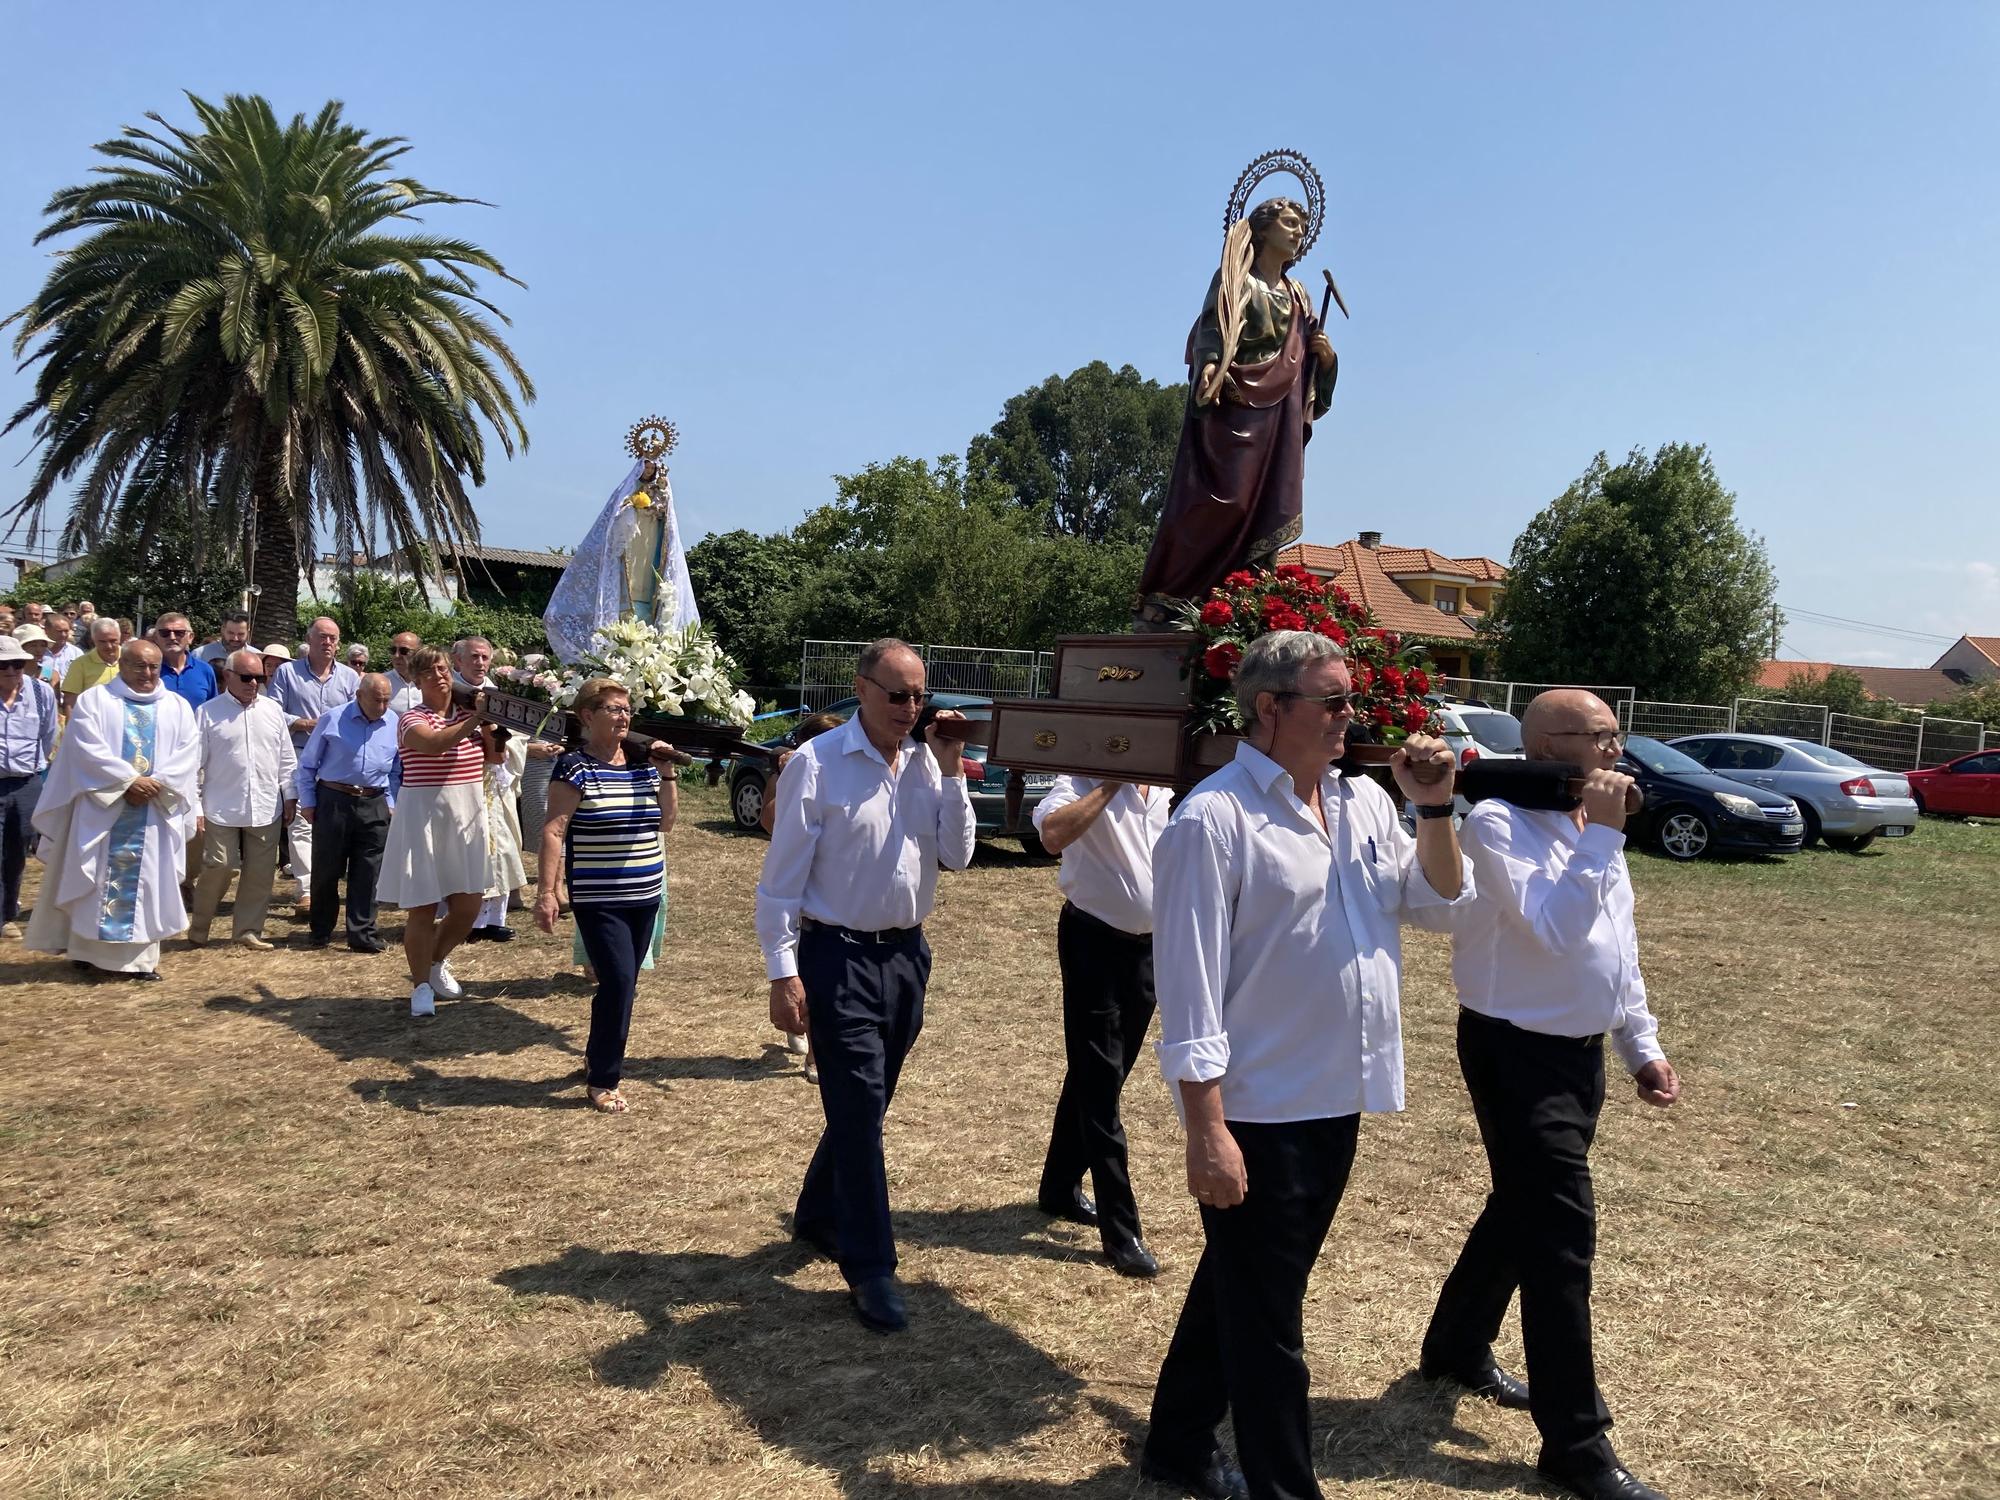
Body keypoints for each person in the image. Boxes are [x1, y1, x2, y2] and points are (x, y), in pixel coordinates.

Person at [1140, 630, 1467, 1500]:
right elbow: (1191, 991)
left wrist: (1432, 807)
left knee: (1246, 1286)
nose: (1350, 718)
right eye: (1333, 702)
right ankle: (1287, 1488)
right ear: (1270, 709)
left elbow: (1436, 904)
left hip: (1336, 1094)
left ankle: (1176, 1443)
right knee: (1270, 1318)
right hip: (1257, 1107)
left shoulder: (1362, 802)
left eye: (1351, 700)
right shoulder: (1213, 821)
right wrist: (1206, 1130)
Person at [1416, 692, 1680, 1500]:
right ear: (1547, 746)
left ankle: (1456, 1346)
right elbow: (1554, 929)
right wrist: (1602, 832)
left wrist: (1641, 1044)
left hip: (1580, 1055)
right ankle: (1576, 1443)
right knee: (1561, 1235)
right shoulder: (1497, 824)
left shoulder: (1591, 827)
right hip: (1513, 1051)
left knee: (1523, 1205)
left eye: (1615, 736)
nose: (1615, 751)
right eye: (1599, 738)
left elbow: (1613, 944)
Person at [755, 639, 975, 1334]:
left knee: (866, 1103)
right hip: (837, 958)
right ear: (861, 689)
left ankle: (818, 1214)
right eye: (896, 695)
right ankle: (871, 1265)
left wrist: (952, 773)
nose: (910, 710)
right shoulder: (817, 766)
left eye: (919, 697)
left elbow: (958, 855)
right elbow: (781, 880)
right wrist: (781, 972)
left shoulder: (925, 764)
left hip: (907, 957)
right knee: (857, 1113)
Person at [1136, 197, 1339, 623]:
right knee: (1223, 500)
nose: (1298, 232)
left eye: (1302, 226)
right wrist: (1210, 363)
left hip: (1279, 417)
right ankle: (1172, 594)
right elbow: (1213, 325)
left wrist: (1326, 357)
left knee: (1266, 506)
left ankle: (1243, 601)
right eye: (1288, 223)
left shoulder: (1299, 293)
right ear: (1262, 230)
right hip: (1234, 408)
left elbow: (1307, 356)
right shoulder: (1235, 280)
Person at [1029, 772, 1172, 1278]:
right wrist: (1111, 784)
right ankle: (1121, 1227)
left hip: (1150, 949)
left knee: (1101, 1075)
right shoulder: (1079, 782)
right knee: (1100, 1080)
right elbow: (1051, 834)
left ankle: (1057, 1187)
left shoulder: (1171, 789)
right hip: (1093, 941)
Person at [533, 678, 681, 1112]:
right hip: (600, 898)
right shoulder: (575, 767)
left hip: (645, 893)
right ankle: (603, 1078)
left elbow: (666, 822)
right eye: (613, 709)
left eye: (627, 709)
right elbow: (554, 830)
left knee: (625, 985)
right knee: (616, 981)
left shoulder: (641, 765)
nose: (623, 716)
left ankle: (598, 1056)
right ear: (587, 717)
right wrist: (547, 891)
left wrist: (667, 769)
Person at [25, 641, 199, 980]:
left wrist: (156, 784)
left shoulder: (176, 707)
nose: (147, 674)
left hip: (153, 812)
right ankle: (87, 952)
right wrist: (128, 782)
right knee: (94, 877)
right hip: (102, 811)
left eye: (153, 667)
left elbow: (188, 753)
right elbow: (86, 749)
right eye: (138, 666)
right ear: (122, 665)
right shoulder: (96, 701)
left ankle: (139, 962)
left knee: (148, 881)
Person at [377, 646, 497, 1017]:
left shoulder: (468, 716)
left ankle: (435, 962)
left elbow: (495, 757)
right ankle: (421, 987)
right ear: (416, 680)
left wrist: (491, 723)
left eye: (442, 669)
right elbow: (433, 745)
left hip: (467, 814)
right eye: (428, 672)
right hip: (423, 816)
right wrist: (476, 720)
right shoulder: (411, 719)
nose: (439, 676)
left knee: (469, 906)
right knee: (423, 908)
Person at [757, 711, 844, 1080]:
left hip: (832, 889)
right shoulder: (793, 770)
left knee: (818, 972)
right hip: (793, 886)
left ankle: (815, 1056)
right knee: (794, 965)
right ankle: (798, 1023)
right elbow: (770, 819)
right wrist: (784, 773)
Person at [190, 651, 297, 949]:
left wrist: (289, 795)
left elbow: (286, 759)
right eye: (247, 677)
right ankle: (200, 926)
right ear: (227, 676)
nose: (254, 684)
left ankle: (248, 931)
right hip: (220, 806)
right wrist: (196, 806)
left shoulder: (273, 710)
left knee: (261, 873)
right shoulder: (208, 712)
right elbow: (193, 765)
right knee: (219, 866)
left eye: (260, 678)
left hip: (265, 805)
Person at [296, 672, 400, 953]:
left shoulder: (395, 723)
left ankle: (362, 933)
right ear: (359, 696)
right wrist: (308, 802)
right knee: (327, 869)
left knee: (368, 871)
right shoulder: (333, 718)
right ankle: (320, 930)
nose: (382, 707)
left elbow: (396, 770)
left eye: (386, 701)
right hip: (334, 799)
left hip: (375, 801)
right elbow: (307, 764)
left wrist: (391, 803)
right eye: (376, 700)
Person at [270, 617, 360, 921]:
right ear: (309, 638)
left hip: (336, 760)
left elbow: (359, 714)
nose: (328, 643)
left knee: (334, 823)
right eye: (322, 636)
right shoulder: (287, 672)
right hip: (298, 753)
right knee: (301, 821)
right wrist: (303, 722)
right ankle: (306, 890)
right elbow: (272, 711)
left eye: (333, 638)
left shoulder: (349, 678)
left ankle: (330, 885)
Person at [0, 636, 59, 939]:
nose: (11, 670)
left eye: (17, 664)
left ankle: (8, 912)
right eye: (4, 664)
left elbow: (49, 734)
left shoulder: (41, 692)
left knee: (17, 851)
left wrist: (37, 767)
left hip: (27, 783)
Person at [152, 612, 219, 712]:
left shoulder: (205, 670)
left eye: (179, 632)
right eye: (165, 633)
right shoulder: (149, 670)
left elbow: (213, 710)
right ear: (156, 638)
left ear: (190, 637)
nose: (172, 637)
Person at [60, 617, 123, 713]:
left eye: (113, 641)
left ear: (120, 637)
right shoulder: (80, 664)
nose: (109, 646)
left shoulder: (130, 660)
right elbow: (70, 702)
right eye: (102, 641)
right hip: (92, 721)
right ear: (93, 639)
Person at [385, 632, 425, 715]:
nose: (396, 655)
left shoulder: (429, 682)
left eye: (404, 651)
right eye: (393, 650)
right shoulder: (382, 682)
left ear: (418, 653)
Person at [42, 613, 80, 683]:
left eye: (66, 631)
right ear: (46, 631)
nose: (63, 635)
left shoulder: (76, 653)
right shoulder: (40, 652)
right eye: (59, 631)